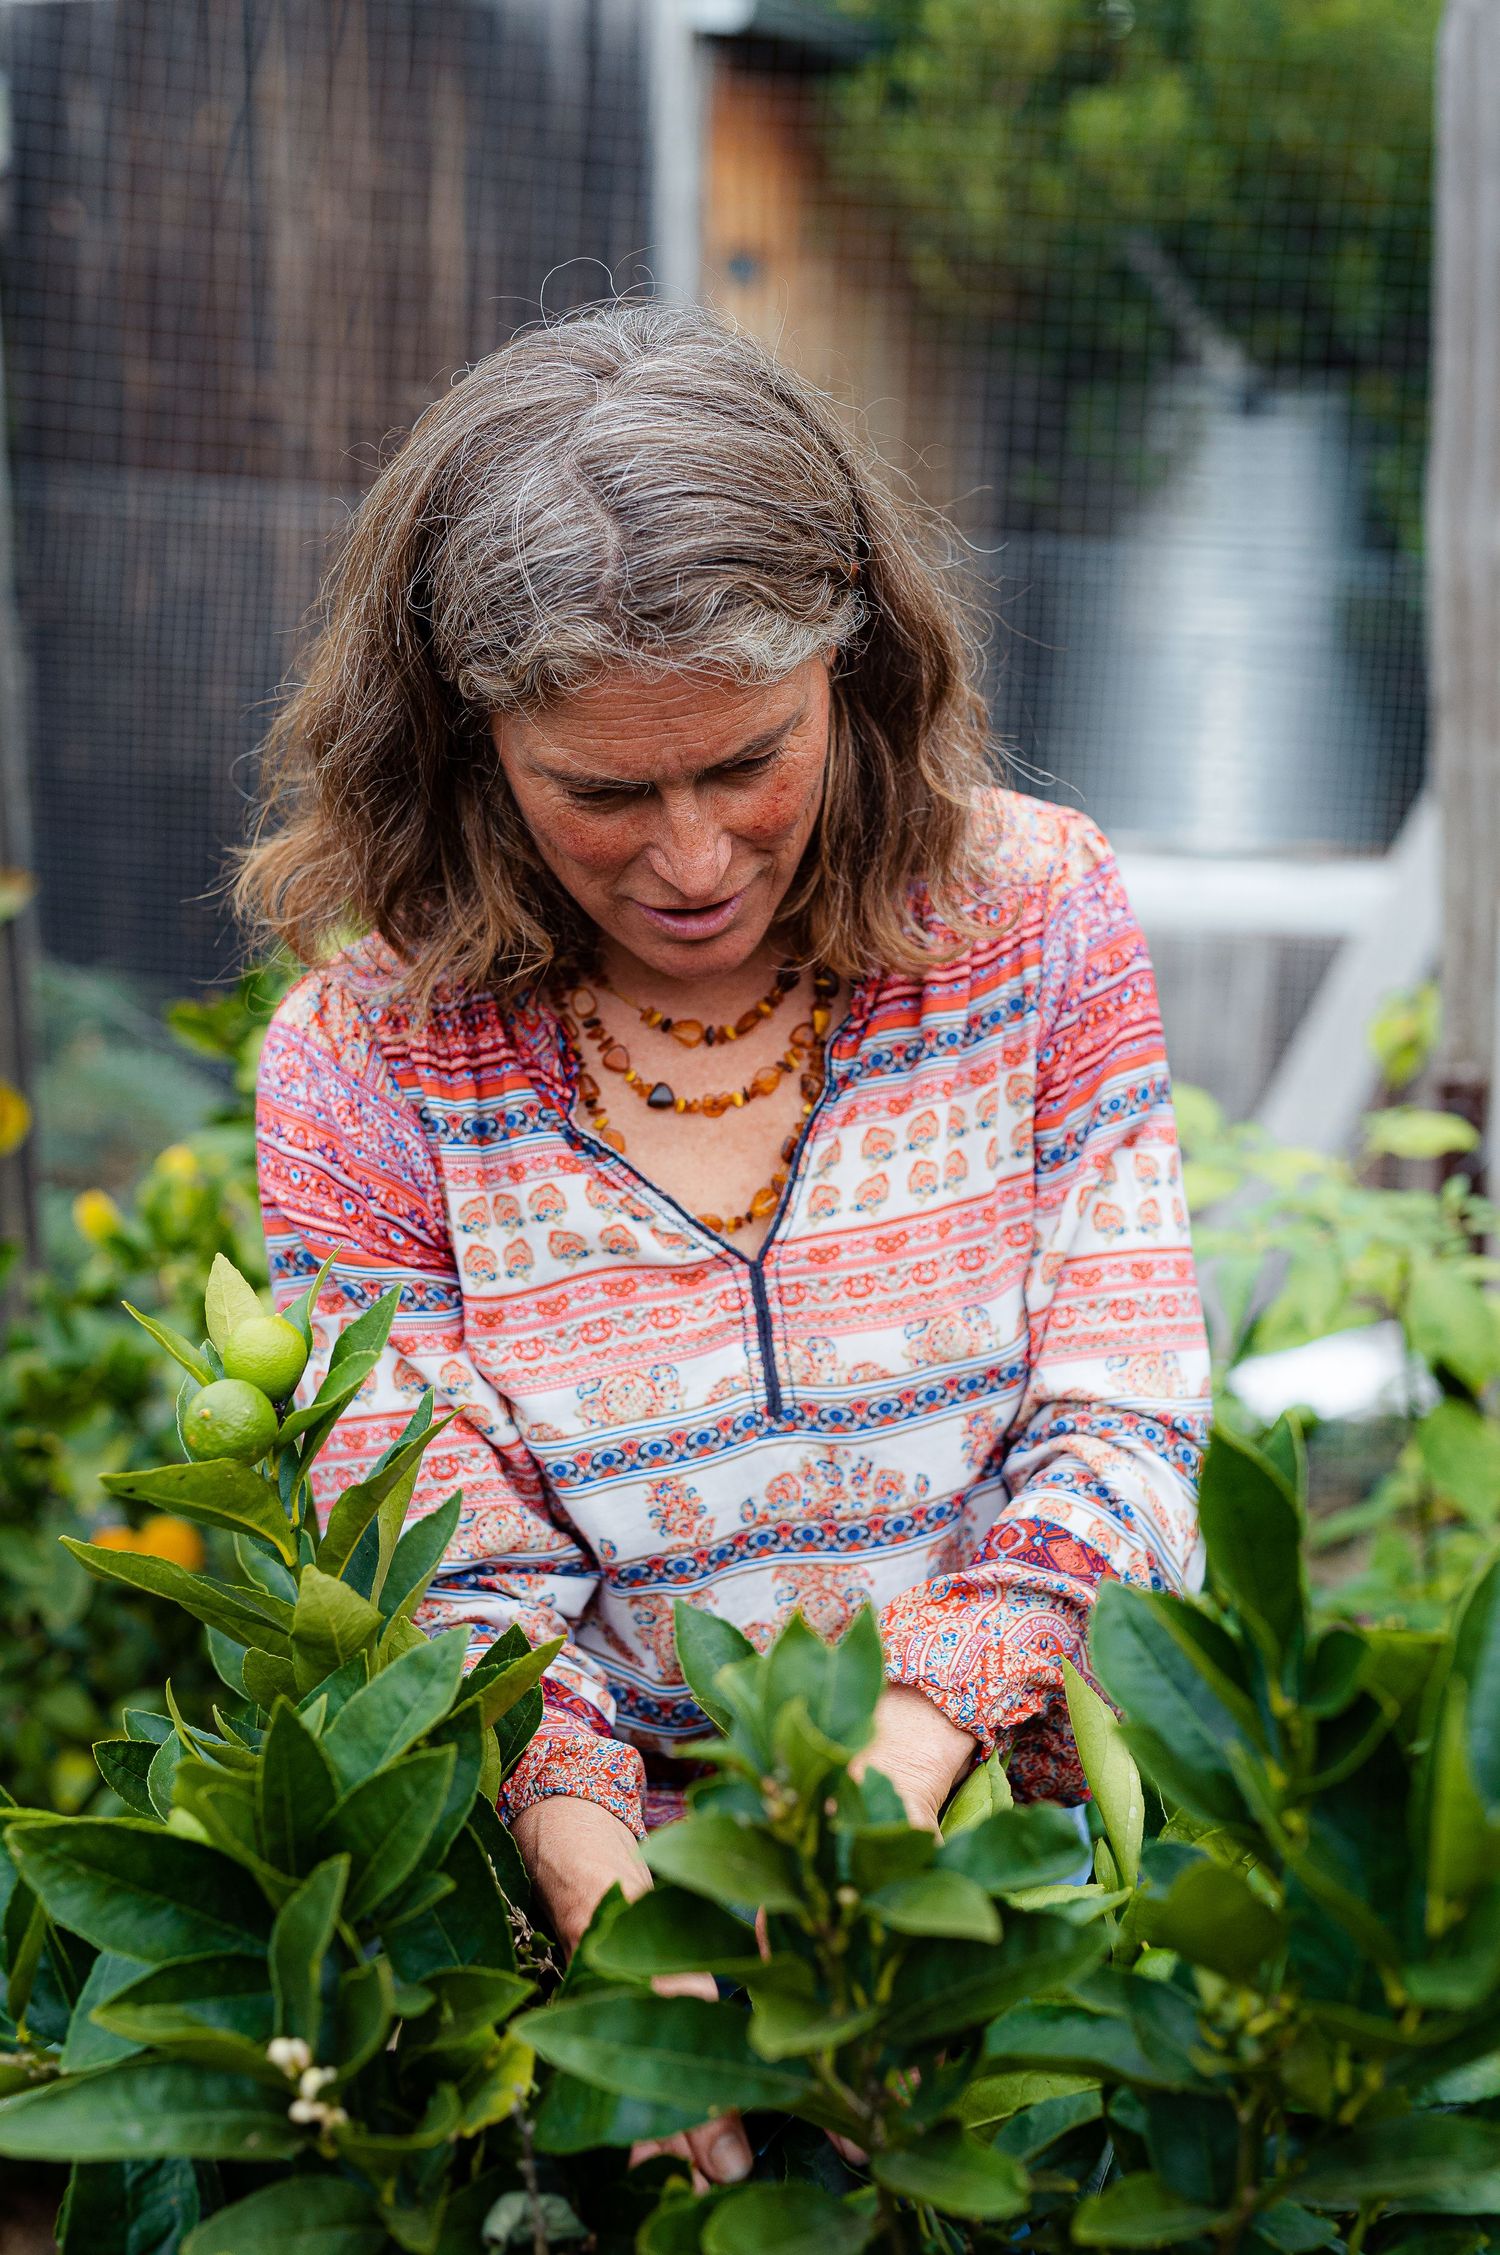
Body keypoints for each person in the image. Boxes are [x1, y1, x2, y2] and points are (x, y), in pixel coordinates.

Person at [245, 300, 1209, 2182]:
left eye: (747, 762)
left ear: (856, 670)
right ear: (463, 743)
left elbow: (1128, 1419)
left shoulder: (1035, 921)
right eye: (602, 790)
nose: (689, 858)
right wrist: (629, 1927)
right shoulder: (366, 1064)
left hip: (1011, 1924)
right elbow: (446, 1569)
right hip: (595, 1969)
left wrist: (908, 1755)